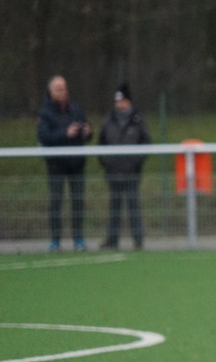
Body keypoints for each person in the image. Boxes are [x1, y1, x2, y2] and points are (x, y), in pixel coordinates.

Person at [37, 75, 93, 251]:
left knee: (78, 202)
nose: (63, 92)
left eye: (64, 88)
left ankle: (78, 239)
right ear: (51, 91)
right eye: (59, 89)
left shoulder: (75, 110)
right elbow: (44, 137)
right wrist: (65, 133)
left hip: (76, 164)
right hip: (56, 165)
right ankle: (55, 240)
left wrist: (87, 132)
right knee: (56, 202)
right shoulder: (45, 113)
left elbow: (87, 132)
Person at [97, 83, 150, 250]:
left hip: (132, 172)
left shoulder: (137, 120)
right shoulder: (109, 120)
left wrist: (136, 161)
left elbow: (146, 142)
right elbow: (101, 143)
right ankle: (112, 239)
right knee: (114, 208)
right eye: (117, 101)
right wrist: (106, 162)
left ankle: (138, 239)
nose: (120, 105)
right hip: (113, 171)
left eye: (123, 101)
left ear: (129, 102)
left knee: (133, 206)